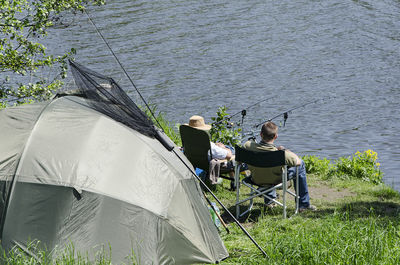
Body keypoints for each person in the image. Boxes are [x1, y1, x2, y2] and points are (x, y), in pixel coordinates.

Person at [243, 121, 316, 212]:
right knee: (301, 165)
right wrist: (284, 150)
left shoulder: (248, 146)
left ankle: (269, 201)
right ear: (275, 136)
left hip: (255, 179)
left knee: (265, 169)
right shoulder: (280, 154)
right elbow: (297, 162)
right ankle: (303, 204)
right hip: (276, 181)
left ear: (261, 134)